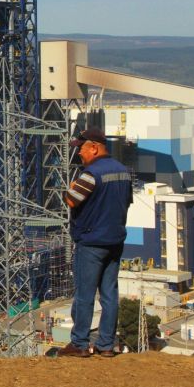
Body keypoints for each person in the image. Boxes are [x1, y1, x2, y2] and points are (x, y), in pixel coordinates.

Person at [58, 127, 133, 358]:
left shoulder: (90, 174)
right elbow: (127, 202)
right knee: (109, 294)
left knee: (85, 295)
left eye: (80, 149)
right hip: (115, 240)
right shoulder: (124, 171)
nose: (79, 154)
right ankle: (106, 345)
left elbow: (71, 200)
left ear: (94, 147)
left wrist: (69, 188)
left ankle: (79, 344)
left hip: (91, 242)